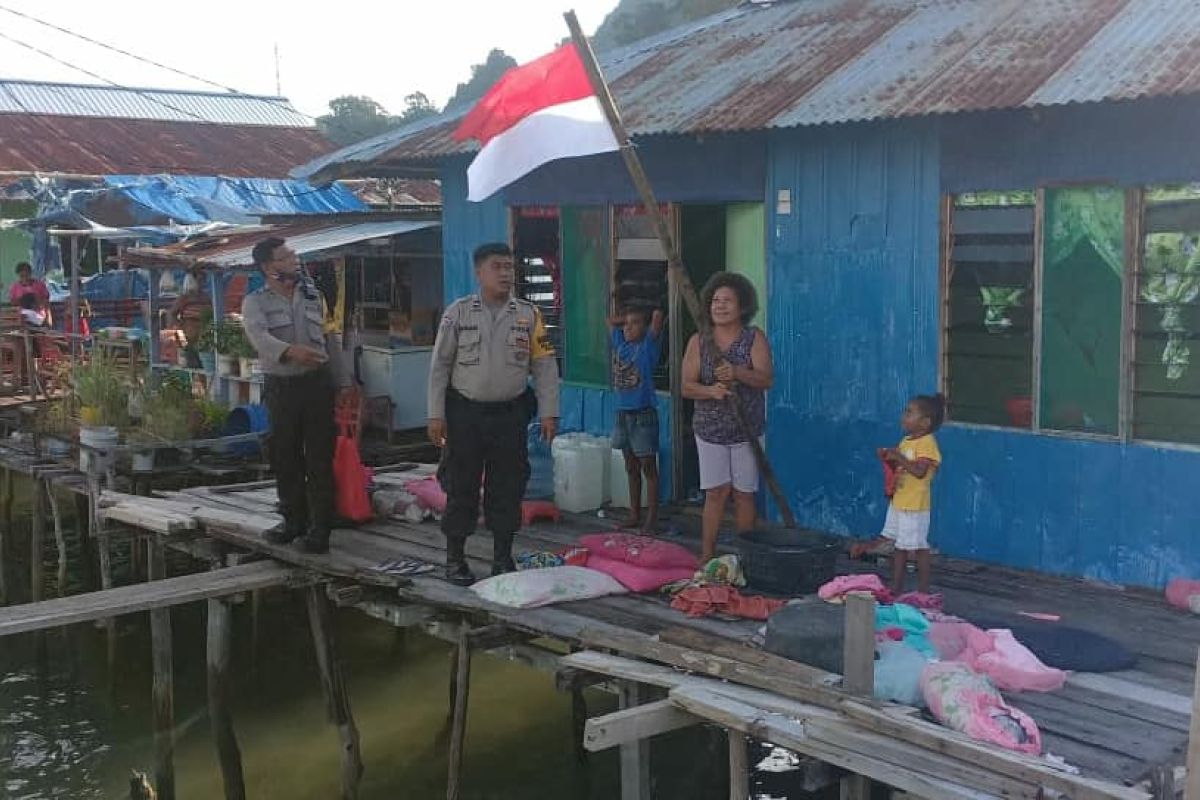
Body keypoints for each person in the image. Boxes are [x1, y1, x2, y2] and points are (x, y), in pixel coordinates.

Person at [428, 242, 560, 585]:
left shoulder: (529, 315)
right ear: (479, 271)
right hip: (465, 415)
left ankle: (502, 557)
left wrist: (549, 413)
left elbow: (544, 366)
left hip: (509, 416)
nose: (505, 273)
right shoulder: (457, 314)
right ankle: (455, 559)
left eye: (509, 267)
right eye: (497, 267)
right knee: (462, 486)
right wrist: (435, 415)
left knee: (509, 486)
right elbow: (440, 366)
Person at [242, 237, 352, 554]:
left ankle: (320, 528)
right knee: (285, 456)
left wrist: (343, 382)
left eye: (292, 254)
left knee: (319, 457)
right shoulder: (255, 302)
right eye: (286, 255)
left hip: (317, 385)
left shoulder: (313, 295)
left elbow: (331, 338)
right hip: (282, 388)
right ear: (268, 266)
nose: (294, 259)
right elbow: (259, 338)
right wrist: (291, 352)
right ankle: (293, 521)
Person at [681, 272, 773, 563]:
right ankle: (707, 555)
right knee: (716, 492)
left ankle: (747, 558)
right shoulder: (699, 341)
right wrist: (711, 392)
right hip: (710, 431)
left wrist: (737, 373)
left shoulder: (754, 338)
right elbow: (686, 386)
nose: (720, 306)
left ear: (743, 306)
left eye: (728, 301)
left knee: (744, 493)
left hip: (747, 430)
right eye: (716, 300)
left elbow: (765, 379)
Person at [874, 394, 944, 595]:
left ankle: (923, 589)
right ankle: (896, 586)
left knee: (919, 547)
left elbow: (920, 472)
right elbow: (901, 466)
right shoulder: (906, 441)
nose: (904, 416)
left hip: (915, 505)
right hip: (900, 502)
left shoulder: (927, 443)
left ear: (924, 423)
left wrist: (898, 456)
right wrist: (889, 457)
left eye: (909, 412)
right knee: (899, 545)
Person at [610, 306, 664, 532]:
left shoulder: (648, 347)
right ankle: (634, 513)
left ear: (645, 327)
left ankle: (652, 517)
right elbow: (609, 321)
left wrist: (645, 319)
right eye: (625, 324)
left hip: (642, 414)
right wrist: (628, 317)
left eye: (634, 324)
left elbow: (658, 316)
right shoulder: (621, 347)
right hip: (623, 414)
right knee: (630, 466)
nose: (627, 327)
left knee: (648, 467)